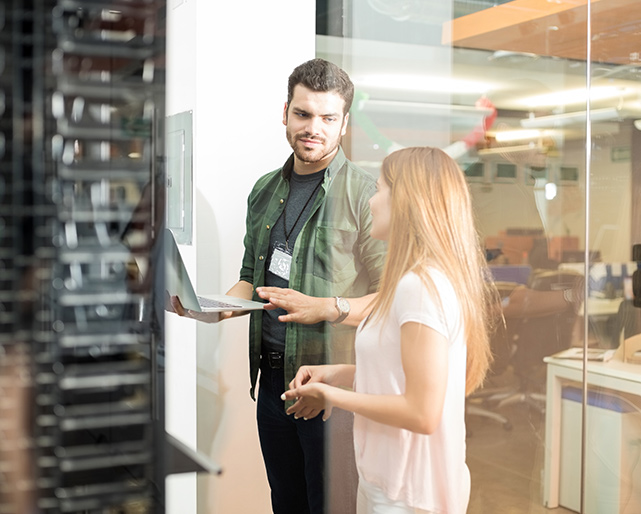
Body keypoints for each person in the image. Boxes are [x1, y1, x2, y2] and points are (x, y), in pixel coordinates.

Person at [170, 58, 386, 514]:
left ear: (344, 123)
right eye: (304, 114)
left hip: (333, 389)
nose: (314, 128)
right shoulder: (265, 190)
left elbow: (390, 299)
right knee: (285, 503)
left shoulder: (367, 195)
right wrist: (214, 307)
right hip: (271, 383)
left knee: (331, 507)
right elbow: (252, 276)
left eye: (328, 118)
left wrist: (328, 308)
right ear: (285, 111)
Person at [276, 146, 498, 514]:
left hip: (408, 494)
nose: (372, 202)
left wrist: (332, 397)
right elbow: (400, 377)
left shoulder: (420, 288)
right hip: (389, 480)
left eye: (379, 190)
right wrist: (338, 375)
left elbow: (421, 412)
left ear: (406, 202)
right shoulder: (413, 282)